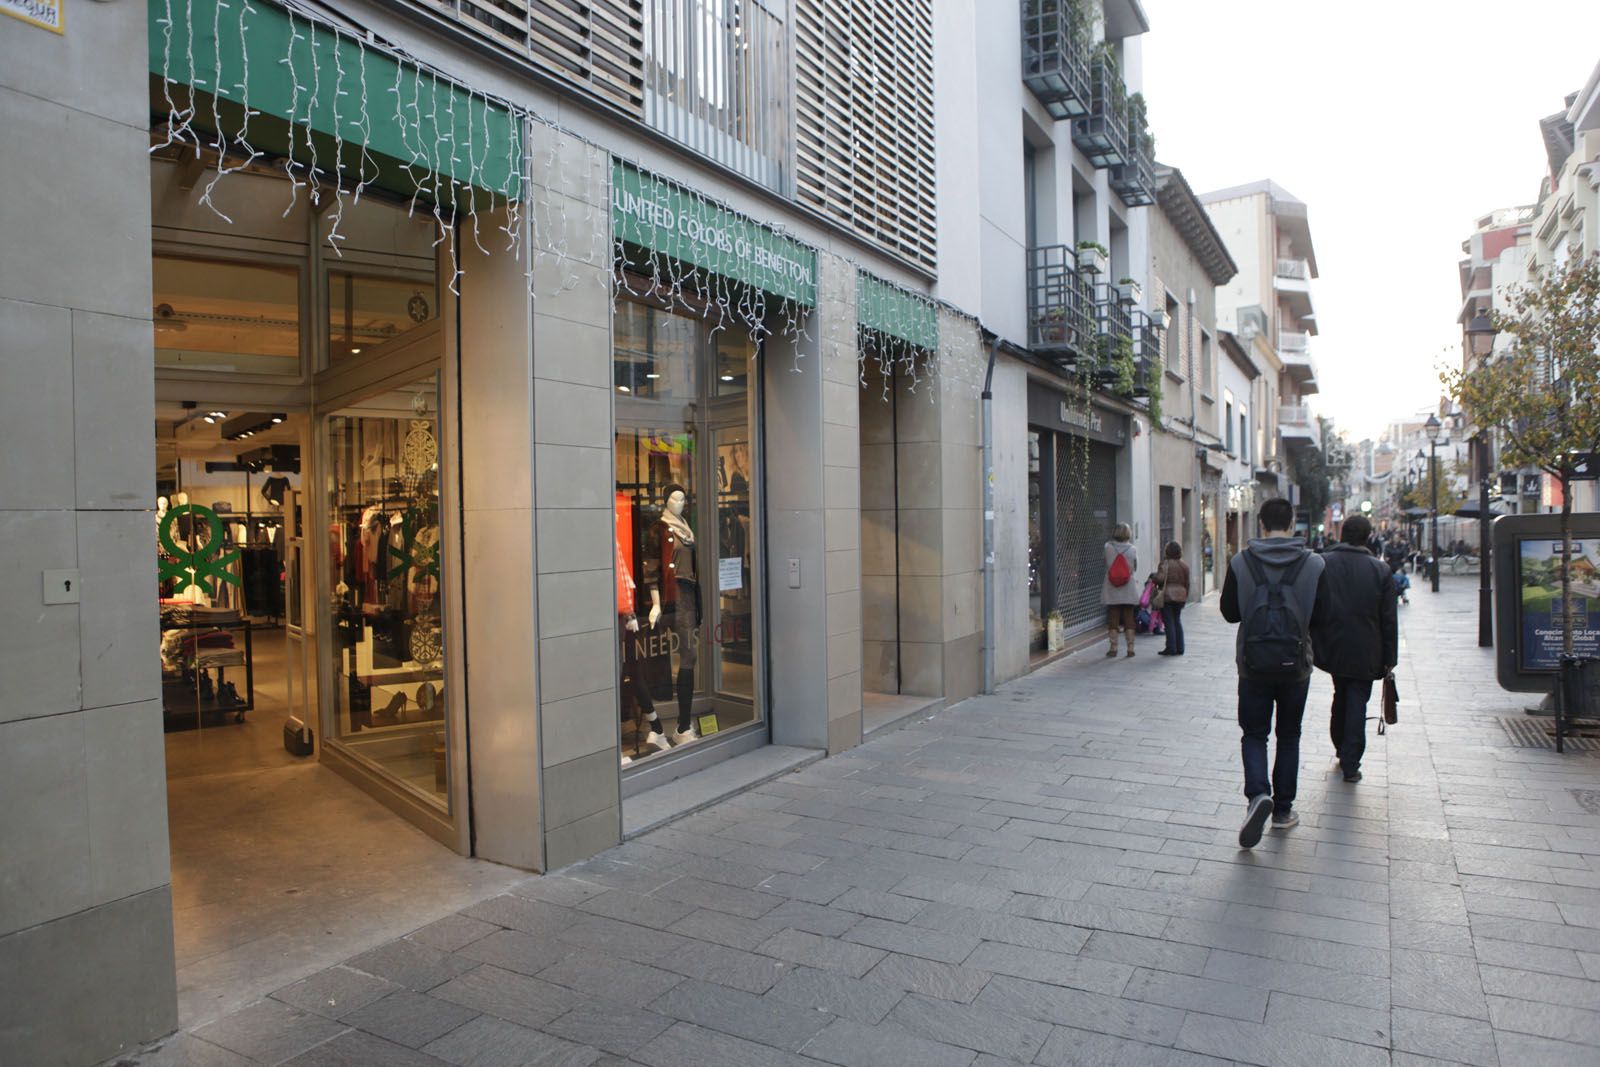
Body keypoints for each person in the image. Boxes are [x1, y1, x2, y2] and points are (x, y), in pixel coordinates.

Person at [1221, 497, 1326, 848]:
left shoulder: (1240, 561)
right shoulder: (1314, 564)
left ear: (1261, 525)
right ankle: (1282, 811)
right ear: (1293, 522)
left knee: (1254, 734)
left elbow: (1230, 613)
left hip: (1252, 666)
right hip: (1296, 667)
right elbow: (1322, 615)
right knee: (1289, 735)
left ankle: (1257, 796)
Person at [1310, 515, 1398, 783]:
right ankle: (1351, 761)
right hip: (1367, 648)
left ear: (1342, 534)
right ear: (1367, 537)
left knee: (1341, 693)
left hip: (1333, 644)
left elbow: (1314, 604)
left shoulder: (1323, 563)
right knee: (1357, 699)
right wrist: (1390, 658)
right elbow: (1389, 618)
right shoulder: (1380, 570)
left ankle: (1340, 746)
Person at [1102, 523, 1140, 658]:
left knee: (1113, 617)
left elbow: (1105, 562)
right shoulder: (1133, 549)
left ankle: (1113, 648)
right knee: (1129, 617)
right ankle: (1130, 648)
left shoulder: (1108, 547)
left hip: (1112, 586)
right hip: (1128, 586)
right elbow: (1135, 568)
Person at [1156, 541, 1190, 656]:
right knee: (1177, 620)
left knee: (1168, 622)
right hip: (1181, 595)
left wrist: (1154, 577)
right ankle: (1180, 647)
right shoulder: (1184, 565)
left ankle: (1171, 647)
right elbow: (1187, 583)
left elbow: (1160, 579)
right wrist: (1186, 596)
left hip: (1167, 596)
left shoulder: (1165, 564)